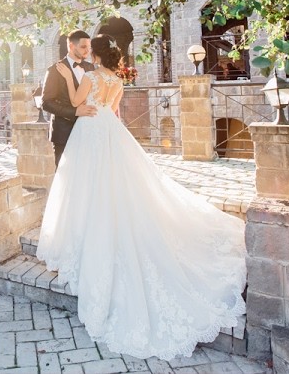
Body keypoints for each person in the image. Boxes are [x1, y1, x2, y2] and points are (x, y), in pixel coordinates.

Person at [35, 34, 247, 360]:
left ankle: (93, 228)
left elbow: (78, 103)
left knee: (88, 184)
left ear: (96, 55)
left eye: (90, 50)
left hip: (89, 130)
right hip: (109, 128)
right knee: (113, 182)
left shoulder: (90, 76)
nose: (86, 54)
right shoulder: (118, 81)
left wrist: (68, 80)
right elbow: (113, 110)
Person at [41, 30, 98, 167]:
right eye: (83, 47)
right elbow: (46, 103)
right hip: (64, 133)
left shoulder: (90, 67)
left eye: (89, 47)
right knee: (64, 174)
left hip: (88, 130)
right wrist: (74, 112)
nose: (87, 51)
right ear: (71, 46)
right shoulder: (54, 70)